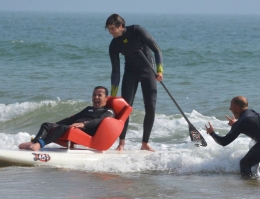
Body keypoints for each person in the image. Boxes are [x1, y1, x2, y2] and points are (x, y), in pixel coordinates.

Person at [105, 14, 164, 152]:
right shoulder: (114, 45)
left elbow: (157, 49)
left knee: (150, 107)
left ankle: (145, 143)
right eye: (109, 30)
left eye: (113, 28)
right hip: (130, 73)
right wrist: (113, 95)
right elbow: (115, 72)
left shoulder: (137, 31)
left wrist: (160, 71)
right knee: (124, 108)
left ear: (121, 26)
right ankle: (121, 144)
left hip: (148, 72)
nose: (111, 32)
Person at [205, 96, 260, 177]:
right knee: (259, 159)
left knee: (244, 163)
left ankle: (249, 187)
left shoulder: (243, 121)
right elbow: (250, 124)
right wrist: (235, 124)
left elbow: (224, 142)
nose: (230, 109)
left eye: (231, 106)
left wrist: (212, 133)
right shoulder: (254, 113)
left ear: (237, 108)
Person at [18, 86, 114, 151]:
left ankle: (39, 145)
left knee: (63, 128)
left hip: (86, 131)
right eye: (94, 95)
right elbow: (72, 119)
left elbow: (99, 121)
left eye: (99, 95)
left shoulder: (108, 112)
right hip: (74, 127)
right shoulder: (88, 109)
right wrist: (56, 123)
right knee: (47, 125)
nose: (96, 97)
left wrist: (84, 124)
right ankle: (33, 143)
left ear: (106, 98)